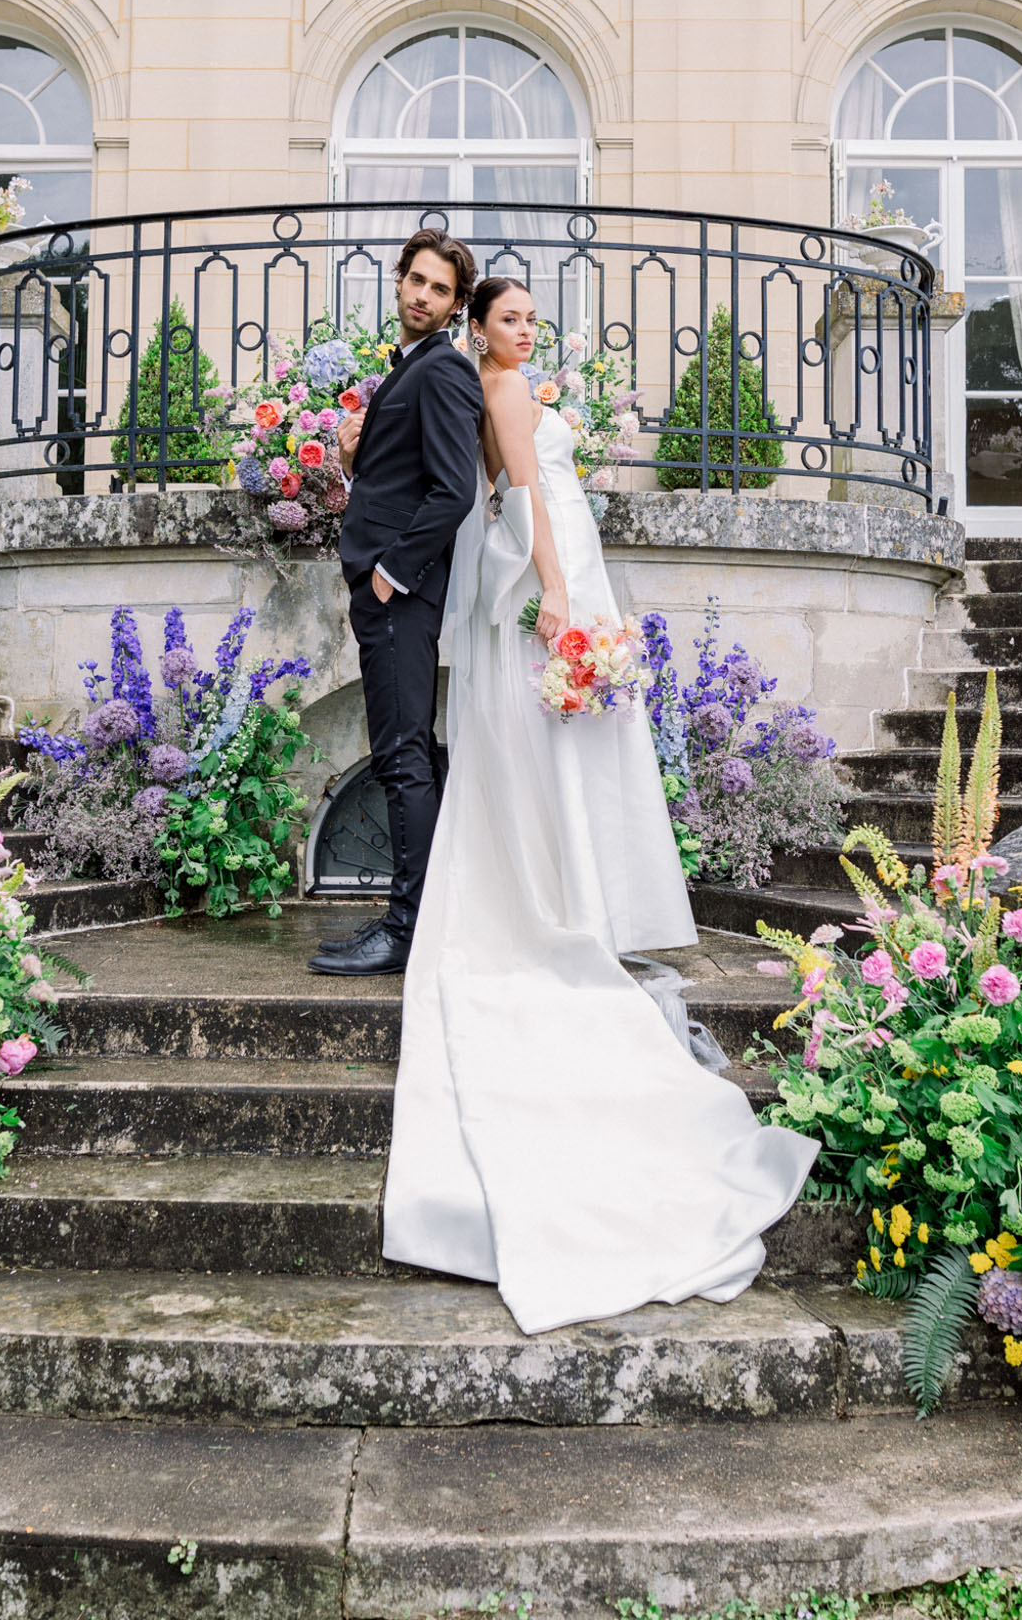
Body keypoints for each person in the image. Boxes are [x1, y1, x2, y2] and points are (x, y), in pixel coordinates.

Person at [379, 275, 819, 1334]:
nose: (525, 332)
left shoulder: (492, 380)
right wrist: (561, 596)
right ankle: (569, 898)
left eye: (531, 318)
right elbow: (526, 495)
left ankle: (573, 888)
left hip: (547, 558)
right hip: (549, 563)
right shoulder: (504, 392)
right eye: (509, 318)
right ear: (478, 327)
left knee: (553, 747)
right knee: (556, 744)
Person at [308, 227, 483, 978]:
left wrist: (392, 574)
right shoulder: (406, 367)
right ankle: (420, 915)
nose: (422, 295)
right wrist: (352, 459)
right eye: (416, 280)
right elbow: (400, 479)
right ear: (400, 280)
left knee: (403, 754)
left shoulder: (443, 370)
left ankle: (407, 930)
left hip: (399, 592)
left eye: (440, 289)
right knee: (405, 749)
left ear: (454, 304)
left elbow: (454, 491)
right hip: (381, 585)